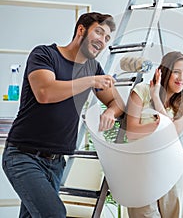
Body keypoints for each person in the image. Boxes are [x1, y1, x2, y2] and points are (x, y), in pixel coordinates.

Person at [2, 12, 125, 218]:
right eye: (99, 32)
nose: (102, 41)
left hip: (56, 162)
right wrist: (91, 81)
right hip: (23, 156)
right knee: (54, 213)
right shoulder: (44, 55)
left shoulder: (91, 67)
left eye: (107, 38)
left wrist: (111, 112)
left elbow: (117, 102)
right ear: (81, 30)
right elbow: (46, 92)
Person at [126, 51, 183, 218]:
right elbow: (131, 131)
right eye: (176, 71)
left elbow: (171, 133)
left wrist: (156, 98)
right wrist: (159, 126)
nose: (181, 78)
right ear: (163, 71)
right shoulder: (141, 91)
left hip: (172, 171)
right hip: (142, 172)